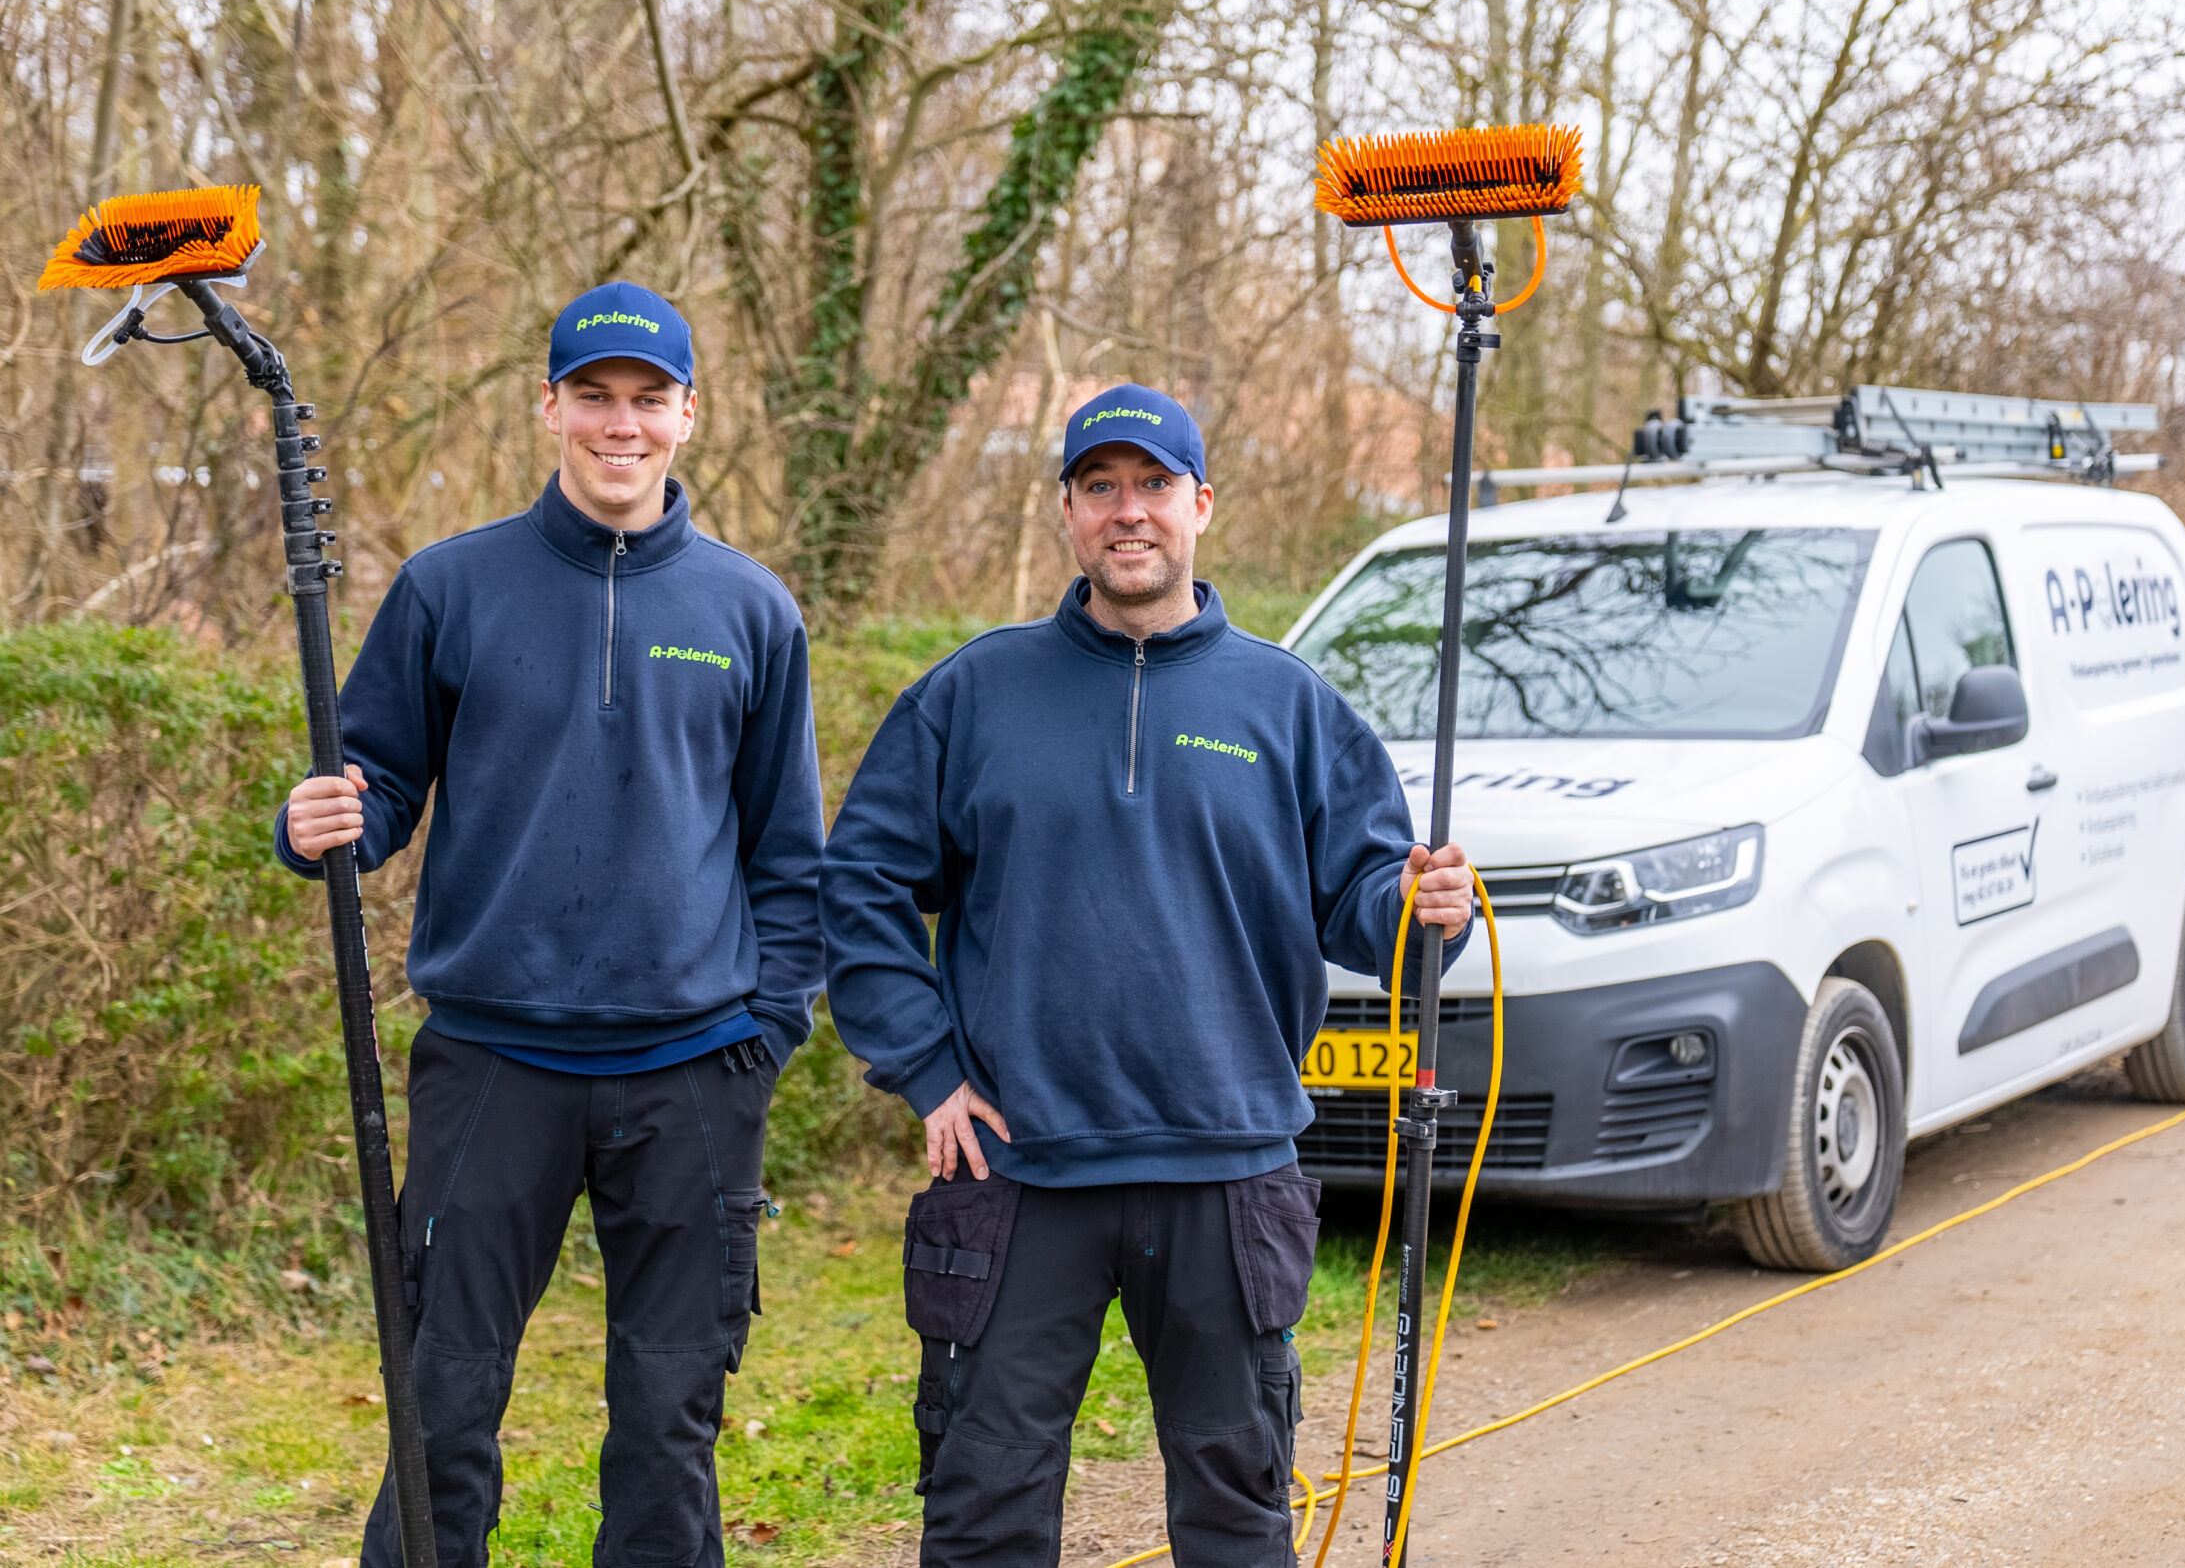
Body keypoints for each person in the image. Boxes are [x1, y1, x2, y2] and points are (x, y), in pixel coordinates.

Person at [821, 383, 1475, 1567]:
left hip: (1228, 1172)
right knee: (981, 1513)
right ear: (1067, 512)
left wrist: (1424, 916)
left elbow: (1371, 909)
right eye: (1100, 487)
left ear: (1200, 504)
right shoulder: (971, 695)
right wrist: (923, 1069)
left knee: (1236, 1515)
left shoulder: (1290, 707)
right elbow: (857, 886)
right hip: (1018, 1169)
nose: (1130, 513)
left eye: (1154, 486)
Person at [277, 282, 824, 1568]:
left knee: (665, 1416)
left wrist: (768, 1031)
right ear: (550, 407)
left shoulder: (752, 611)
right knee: (445, 1399)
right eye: (593, 397)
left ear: (689, 415)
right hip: (491, 1066)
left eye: (646, 401)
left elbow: (788, 855)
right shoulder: (449, 588)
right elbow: (375, 788)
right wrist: (323, 823)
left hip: (693, 1072)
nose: (618, 426)